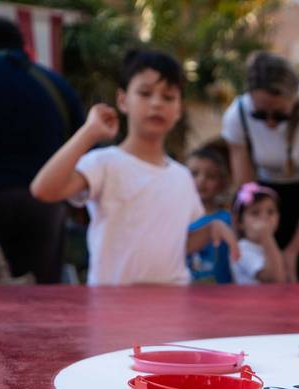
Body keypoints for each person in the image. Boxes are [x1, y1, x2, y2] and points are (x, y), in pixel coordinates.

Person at [30, 50, 237, 286]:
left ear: (179, 109)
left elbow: (176, 244)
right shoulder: (104, 163)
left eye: (168, 97)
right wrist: (89, 132)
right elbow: (43, 189)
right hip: (113, 307)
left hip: (172, 305)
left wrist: (211, 228)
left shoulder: (182, 177)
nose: (157, 103)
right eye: (145, 93)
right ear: (122, 100)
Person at [0, 17, 85, 284]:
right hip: (44, 205)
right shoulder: (56, 84)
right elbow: (81, 142)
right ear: (23, 45)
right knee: (41, 299)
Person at [223, 52, 299, 283]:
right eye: (260, 114)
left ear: (294, 97)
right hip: (267, 198)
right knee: (269, 278)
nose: (269, 123)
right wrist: (254, 236)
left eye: (279, 115)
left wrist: (295, 248)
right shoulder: (236, 115)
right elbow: (246, 190)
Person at [187, 146, 233, 283]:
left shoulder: (228, 220)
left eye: (211, 176)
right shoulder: (176, 218)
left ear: (222, 183)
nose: (201, 180)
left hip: (220, 295)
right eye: (194, 174)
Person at [229, 183, 286, 285]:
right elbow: (273, 278)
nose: (264, 217)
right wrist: (267, 237)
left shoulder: (266, 245)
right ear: (239, 222)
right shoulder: (242, 249)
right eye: (255, 213)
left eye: (271, 212)